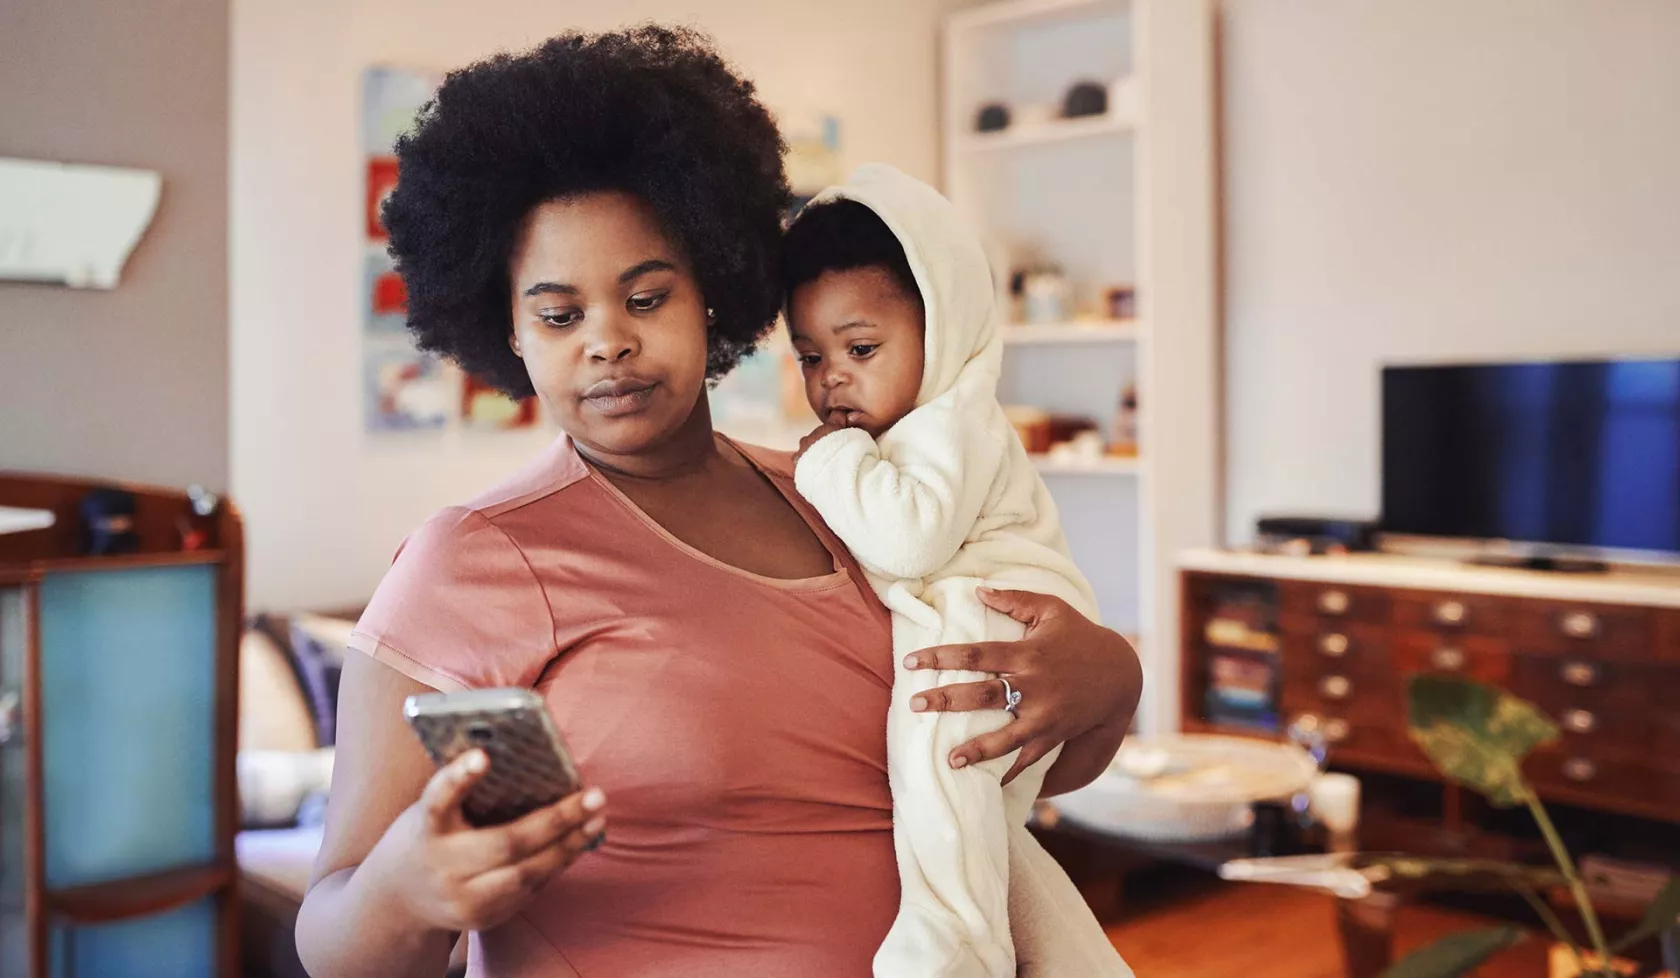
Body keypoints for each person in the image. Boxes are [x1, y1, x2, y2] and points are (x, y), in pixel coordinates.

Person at [296, 27, 1143, 978]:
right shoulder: (472, 558)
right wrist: (409, 889)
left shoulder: (852, 499)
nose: (607, 343)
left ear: (712, 292)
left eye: (646, 298)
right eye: (560, 315)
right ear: (510, 335)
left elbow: (991, 771)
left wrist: (1110, 687)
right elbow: (337, 947)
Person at [784, 165, 1133, 978]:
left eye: (861, 348)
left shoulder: (953, 418)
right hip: (982, 618)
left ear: (941, 330)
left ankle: (953, 950)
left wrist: (830, 460)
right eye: (809, 355)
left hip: (1001, 628)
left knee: (941, 771)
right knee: (977, 831)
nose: (831, 376)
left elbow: (907, 540)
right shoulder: (910, 431)